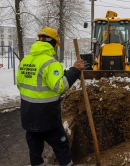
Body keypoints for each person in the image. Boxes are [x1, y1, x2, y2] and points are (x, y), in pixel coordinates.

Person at [16, 27, 84, 166]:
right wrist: (74, 71)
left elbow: (20, 84)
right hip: (47, 118)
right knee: (61, 148)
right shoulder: (51, 63)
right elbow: (59, 87)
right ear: (54, 44)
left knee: (35, 152)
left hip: (28, 116)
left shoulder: (25, 60)